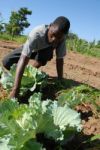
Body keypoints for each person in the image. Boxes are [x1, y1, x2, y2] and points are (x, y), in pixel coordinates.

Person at [2, 16, 70, 98]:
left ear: (64, 36)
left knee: (47, 52)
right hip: (31, 48)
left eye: (58, 37)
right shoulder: (37, 33)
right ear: (50, 26)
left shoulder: (62, 39)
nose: (54, 40)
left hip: (43, 52)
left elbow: (59, 59)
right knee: (6, 61)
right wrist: (15, 89)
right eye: (53, 34)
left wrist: (60, 79)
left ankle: (28, 74)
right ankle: (20, 76)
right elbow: (24, 58)